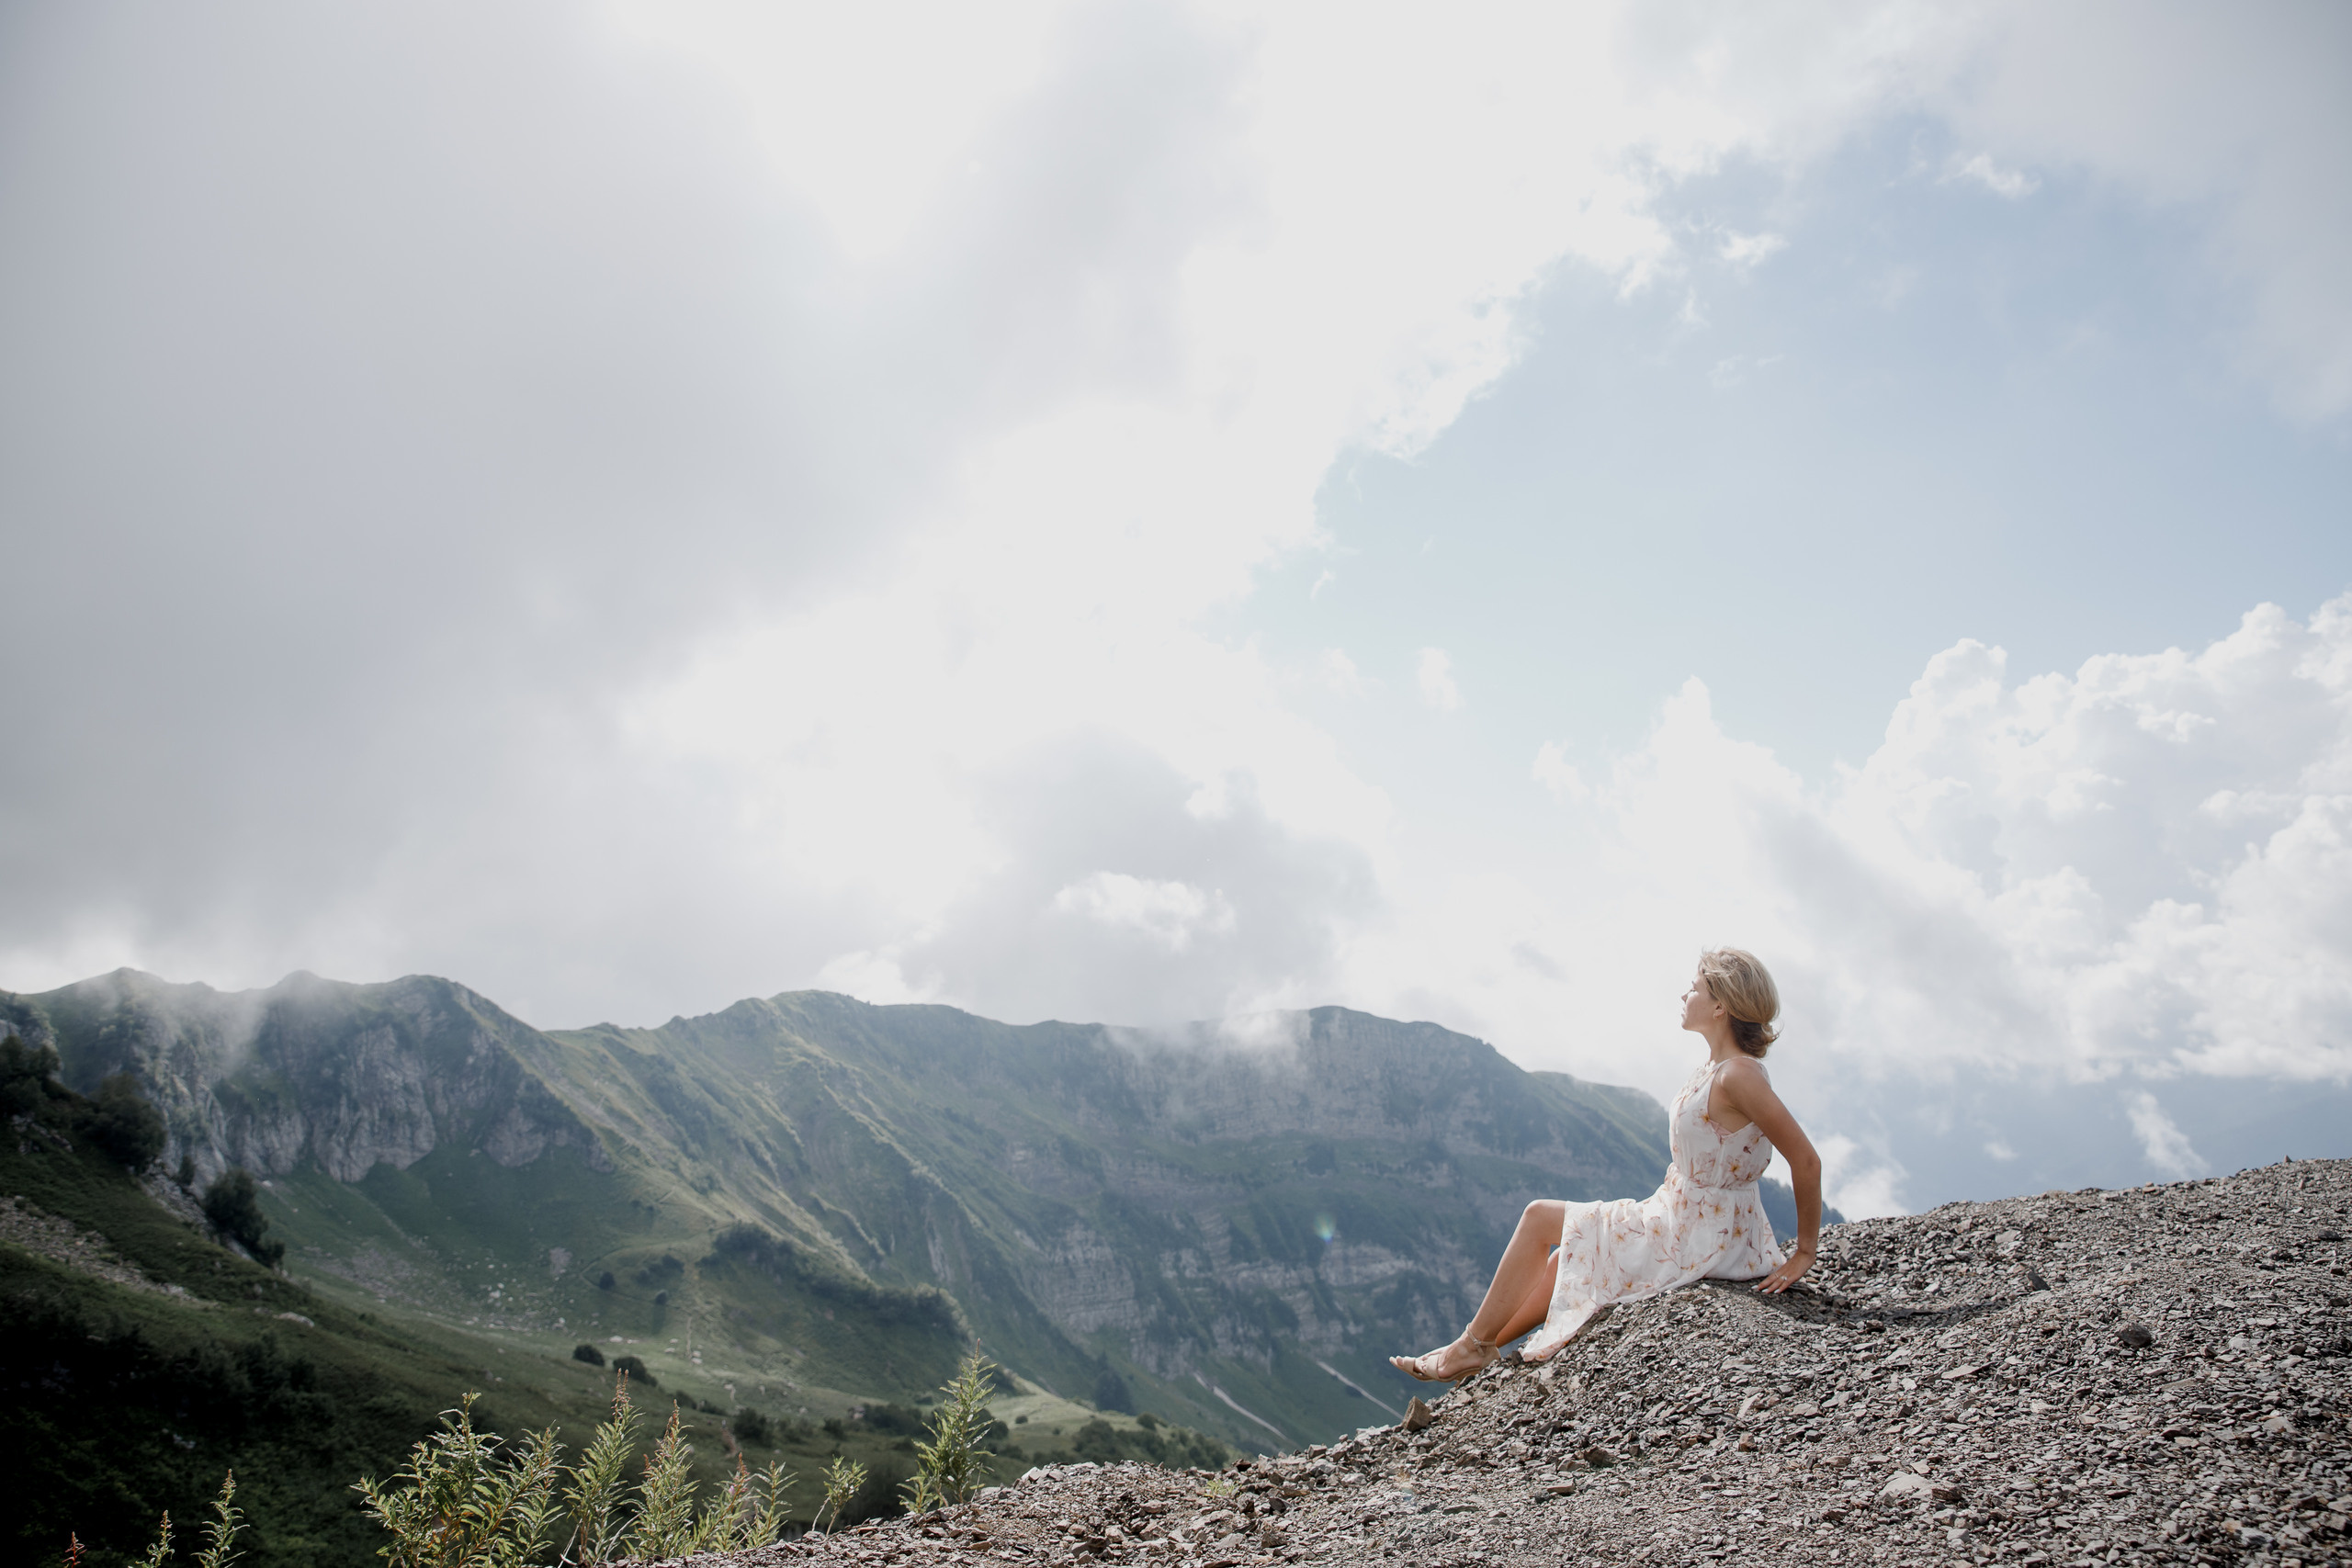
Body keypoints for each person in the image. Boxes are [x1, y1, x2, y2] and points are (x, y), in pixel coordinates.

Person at [1391, 948, 1823, 1381]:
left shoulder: (1738, 1075)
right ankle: (1473, 1347)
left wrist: (1804, 1252)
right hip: (1684, 1218)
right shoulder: (1717, 1069)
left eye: (1694, 988)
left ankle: (1468, 1349)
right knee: (1569, 1256)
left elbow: (1805, 1160)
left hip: (1701, 1235)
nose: (1684, 995)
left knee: (1539, 1217)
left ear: (1719, 1007)